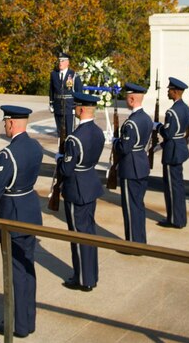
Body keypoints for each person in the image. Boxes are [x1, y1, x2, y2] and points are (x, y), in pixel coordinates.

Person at [0, 105, 43, 338]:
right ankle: (28, 319)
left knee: (17, 272)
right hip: (30, 209)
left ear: (11, 123)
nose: (4, 126)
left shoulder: (7, 154)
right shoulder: (35, 147)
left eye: (5, 122)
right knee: (27, 267)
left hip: (13, 215)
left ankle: (18, 325)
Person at [57, 92, 105, 291]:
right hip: (90, 184)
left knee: (78, 235)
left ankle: (83, 279)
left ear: (82, 109)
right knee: (89, 233)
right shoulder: (98, 132)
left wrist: (61, 159)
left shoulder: (75, 139)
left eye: (76, 106)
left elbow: (67, 169)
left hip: (76, 189)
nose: (74, 109)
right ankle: (91, 274)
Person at [113, 82, 152, 243]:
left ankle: (133, 243)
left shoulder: (132, 123)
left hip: (131, 167)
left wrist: (115, 141)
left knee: (131, 208)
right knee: (138, 206)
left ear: (131, 99)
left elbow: (124, 147)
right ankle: (139, 240)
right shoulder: (146, 118)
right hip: (142, 164)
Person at [157, 77, 189, 227]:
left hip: (172, 151)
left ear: (175, 92)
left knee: (172, 187)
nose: (168, 92)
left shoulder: (172, 112)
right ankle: (180, 218)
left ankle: (174, 219)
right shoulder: (185, 108)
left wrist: (158, 127)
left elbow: (168, 133)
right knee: (178, 186)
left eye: (169, 90)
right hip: (180, 147)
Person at [49, 52, 83, 137]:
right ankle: (61, 149)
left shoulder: (74, 75)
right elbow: (51, 90)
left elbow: (79, 92)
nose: (60, 63)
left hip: (69, 106)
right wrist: (51, 103)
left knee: (69, 131)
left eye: (63, 61)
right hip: (57, 105)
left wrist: (77, 106)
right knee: (60, 131)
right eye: (59, 61)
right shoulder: (54, 74)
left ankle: (69, 149)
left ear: (68, 62)